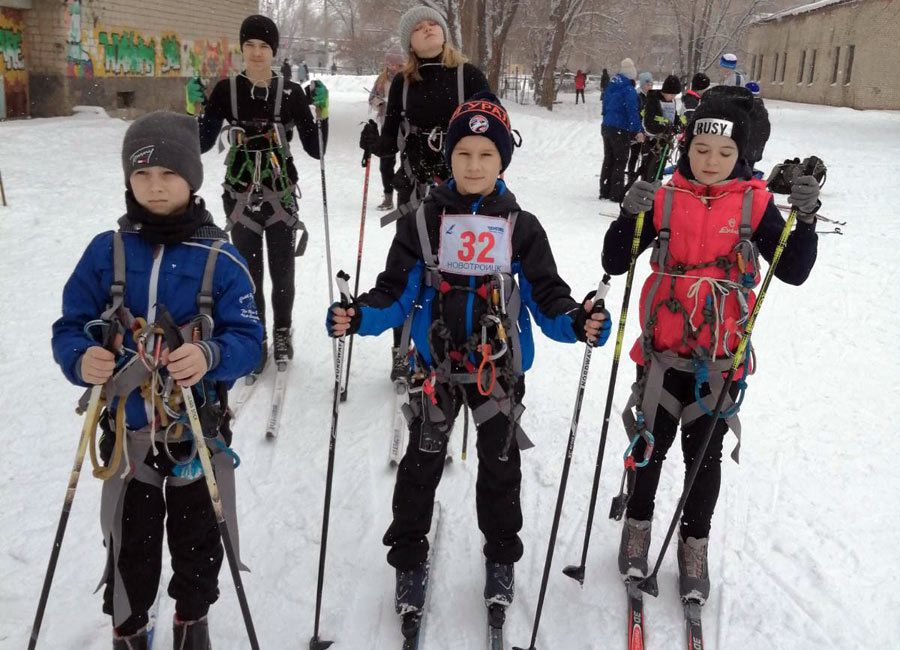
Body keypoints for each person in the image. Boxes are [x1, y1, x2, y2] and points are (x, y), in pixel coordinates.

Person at [329, 92, 611, 640]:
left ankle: (501, 557)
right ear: (449, 158)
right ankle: (409, 558)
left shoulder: (522, 228)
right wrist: (356, 315)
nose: (475, 165)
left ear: (502, 160)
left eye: (486, 154)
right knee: (420, 469)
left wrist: (578, 322)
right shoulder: (421, 222)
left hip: (497, 372)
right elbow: (393, 293)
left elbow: (547, 295)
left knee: (501, 472)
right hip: (434, 370)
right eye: (465, 154)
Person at [51, 111, 263, 650]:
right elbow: (72, 323)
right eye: (142, 175)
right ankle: (129, 626)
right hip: (130, 435)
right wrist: (81, 358)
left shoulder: (222, 257)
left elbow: (249, 339)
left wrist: (212, 353)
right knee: (129, 546)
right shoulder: (107, 252)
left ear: (192, 177)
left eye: (168, 174)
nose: (155, 185)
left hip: (197, 431)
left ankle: (192, 621)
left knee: (197, 543)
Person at [602, 96, 820, 607]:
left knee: (704, 458)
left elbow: (792, 270)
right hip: (661, 356)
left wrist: (804, 221)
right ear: (687, 148)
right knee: (649, 446)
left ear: (741, 155)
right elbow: (615, 260)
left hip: (719, 363)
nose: (712, 160)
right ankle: (637, 525)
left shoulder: (755, 203)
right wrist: (627, 214)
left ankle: (693, 542)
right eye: (702, 148)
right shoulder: (664, 196)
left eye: (725, 152)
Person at [358, 4, 490, 381]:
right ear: (410, 43)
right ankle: (403, 350)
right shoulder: (402, 83)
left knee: (456, 273)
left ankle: (452, 346)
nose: (429, 29)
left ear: (445, 33)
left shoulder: (469, 76)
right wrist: (375, 142)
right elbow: (390, 141)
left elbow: (494, 137)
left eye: (434, 24)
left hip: (462, 193)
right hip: (415, 191)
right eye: (419, 28)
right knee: (407, 270)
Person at [191, 14, 328, 373]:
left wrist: (322, 114)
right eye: (249, 45)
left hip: (279, 197)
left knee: (282, 272)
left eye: (263, 46)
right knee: (249, 273)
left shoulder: (290, 93)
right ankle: (257, 335)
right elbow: (202, 143)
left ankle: (282, 331)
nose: (256, 52)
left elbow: (317, 149)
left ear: (273, 50)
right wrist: (198, 110)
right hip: (239, 197)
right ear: (242, 48)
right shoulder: (227, 91)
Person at [600, 57, 644, 202]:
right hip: (620, 128)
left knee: (609, 159)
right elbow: (632, 111)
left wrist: (607, 120)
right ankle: (616, 193)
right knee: (620, 160)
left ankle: (604, 190)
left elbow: (604, 106)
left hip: (607, 126)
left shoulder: (611, 85)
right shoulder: (628, 90)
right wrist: (638, 130)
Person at [369, 46, 406, 211]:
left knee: (408, 165)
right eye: (391, 64)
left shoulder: (409, 78)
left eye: (397, 64)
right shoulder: (381, 80)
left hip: (405, 127)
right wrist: (382, 104)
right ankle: (388, 197)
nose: (394, 67)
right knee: (386, 164)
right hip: (387, 127)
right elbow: (372, 98)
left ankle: (406, 196)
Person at [639, 74, 683, 182]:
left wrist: (678, 125)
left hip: (665, 142)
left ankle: (656, 190)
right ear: (666, 91)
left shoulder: (670, 101)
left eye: (675, 95)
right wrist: (664, 128)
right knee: (649, 171)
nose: (673, 97)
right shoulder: (653, 101)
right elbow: (649, 123)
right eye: (672, 94)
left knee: (659, 171)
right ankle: (646, 191)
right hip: (652, 142)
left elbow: (674, 117)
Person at [626, 72, 653, 189]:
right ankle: (631, 176)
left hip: (647, 129)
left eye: (651, 83)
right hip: (636, 130)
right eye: (648, 84)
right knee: (635, 154)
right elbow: (634, 113)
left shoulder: (651, 96)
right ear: (642, 84)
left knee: (645, 154)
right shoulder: (637, 96)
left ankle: (643, 176)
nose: (650, 86)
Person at [744, 81, 771, 177]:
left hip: (744, 148)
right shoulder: (762, 110)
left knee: (740, 173)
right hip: (755, 148)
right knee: (748, 170)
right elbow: (766, 130)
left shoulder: (746, 109)